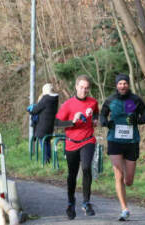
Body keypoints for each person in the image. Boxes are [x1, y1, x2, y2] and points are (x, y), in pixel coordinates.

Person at [100, 74, 145, 221]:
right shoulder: (110, 100)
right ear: (116, 85)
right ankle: (124, 208)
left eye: (125, 83)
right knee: (119, 176)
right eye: (120, 83)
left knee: (128, 180)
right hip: (115, 141)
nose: (123, 86)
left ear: (128, 85)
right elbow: (103, 115)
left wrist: (138, 120)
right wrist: (105, 123)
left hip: (131, 142)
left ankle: (125, 200)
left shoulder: (133, 100)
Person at [54, 75, 99, 220]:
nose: (84, 90)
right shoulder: (68, 104)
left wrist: (96, 120)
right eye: (81, 87)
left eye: (86, 88)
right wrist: (72, 121)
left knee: (86, 168)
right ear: (76, 86)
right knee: (72, 174)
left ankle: (86, 202)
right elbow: (57, 123)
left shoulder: (93, 102)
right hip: (72, 142)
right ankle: (70, 202)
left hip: (88, 140)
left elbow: (96, 112)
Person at [27, 83, 59, 163]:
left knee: (43, 142)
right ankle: (49, 159)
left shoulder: (45, 98)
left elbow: (35, 110)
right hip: (50, 124)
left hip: (42, 125)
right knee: (47, 141)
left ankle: (45, 160)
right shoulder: (55, 99)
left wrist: (30, 109)